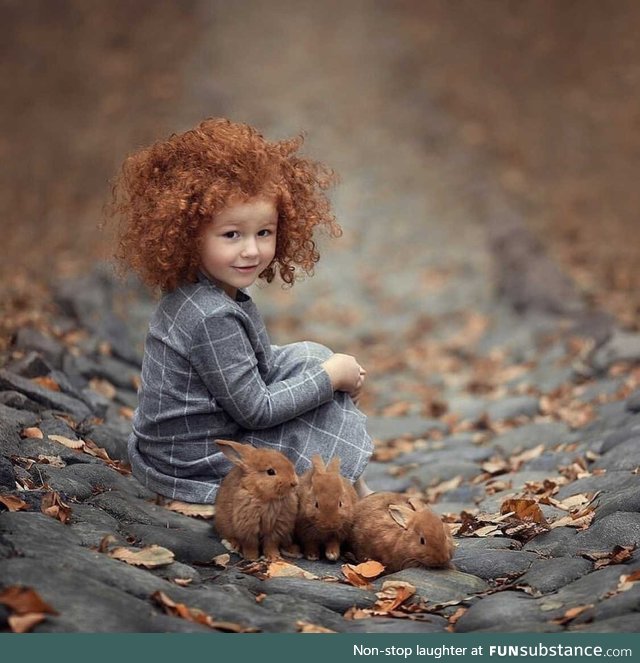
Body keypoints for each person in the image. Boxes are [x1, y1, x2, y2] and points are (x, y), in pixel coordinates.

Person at [109, 117, 373, 504]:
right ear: (188, 234)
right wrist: (329, 379)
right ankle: (350, 496)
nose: (251, 250)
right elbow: (257, 411)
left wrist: (319, 366)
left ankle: (350, 486)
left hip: (182, 443)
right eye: (232, 235)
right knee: (315, 400)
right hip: (194, 459)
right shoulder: (209, 314)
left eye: (263, 233)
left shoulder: (206, 292)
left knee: (310, 356)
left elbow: (255, 368)